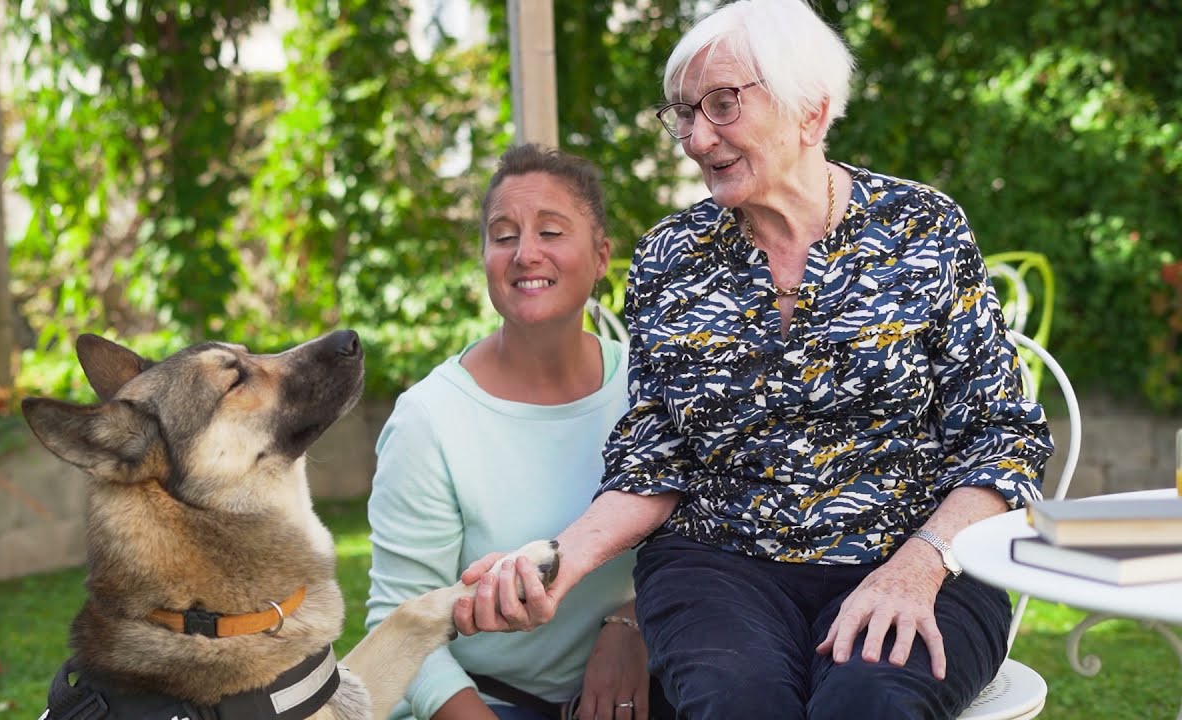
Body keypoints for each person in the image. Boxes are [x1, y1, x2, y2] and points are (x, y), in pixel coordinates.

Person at [453, 2, 1055, 719]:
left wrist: (918, 565)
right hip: (722, 565)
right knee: (739, 702)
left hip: (917, 549)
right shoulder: (671, 257)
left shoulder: (923, 229)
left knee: (870, 701)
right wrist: (557, 563)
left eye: (722, 104)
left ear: (810, 110)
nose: (696, 137)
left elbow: (1004, 437)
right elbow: (656, 458)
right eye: (683, 112)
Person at [365, 144, 657, 720]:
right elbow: (400, 624)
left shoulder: (651, 390)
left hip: (639, 691)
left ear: (601, 257)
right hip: (481, 701)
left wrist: (632, 623)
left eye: (551, 231)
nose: (526, 254)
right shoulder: (430, 420)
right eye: (503, 236)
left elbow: (714, 551)